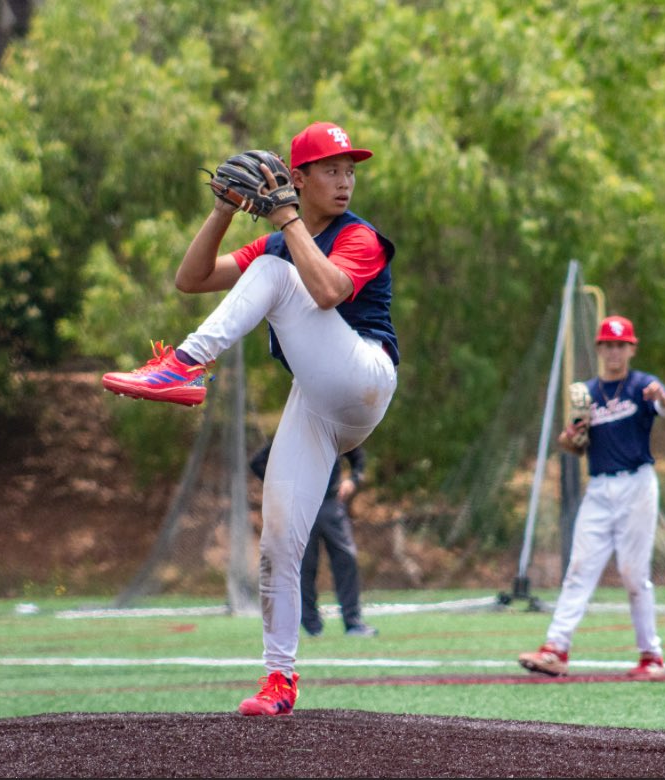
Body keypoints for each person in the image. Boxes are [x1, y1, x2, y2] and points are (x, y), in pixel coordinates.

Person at [101, 121, 398, 716]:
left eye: (350, 169)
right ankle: (279, 680)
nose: (345, 181)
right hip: (316, 402)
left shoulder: (357, 235)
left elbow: (329, 291)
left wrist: (285, 220)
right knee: (278, 543)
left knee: (273, 269)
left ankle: (184, 365)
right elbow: (192, 280)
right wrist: (223, 211)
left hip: (363, 377)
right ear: (299, 178)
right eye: (331, 170)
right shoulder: (277, 241)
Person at [518, 315, 665, 678]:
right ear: (599, 349)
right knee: (578, 570)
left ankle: (651, 656)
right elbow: (575, 445)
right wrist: (568, 439)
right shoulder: (587, 393)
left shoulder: (642, 385)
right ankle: (556, 649)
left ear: (631, 348)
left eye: (621, 345)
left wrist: (662, 396)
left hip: (637, 484)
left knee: (633, 573)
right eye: (608, 345)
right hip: (600, 487)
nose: (614, 351)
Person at [249, 437, 378, 638]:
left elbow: (357, 457)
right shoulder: (293, 430)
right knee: (305, 566)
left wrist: (353, 479)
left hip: (330, 505)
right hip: (300, 508)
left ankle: (353, 622)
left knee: (347, 560)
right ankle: (311, 626)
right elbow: (257, 462)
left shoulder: (334, 432)